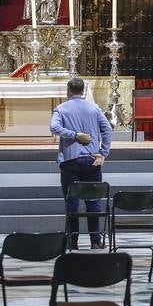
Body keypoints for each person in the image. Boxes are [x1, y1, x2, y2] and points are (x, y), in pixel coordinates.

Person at [49, 77, 112, 250]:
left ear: (68, 90)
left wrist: (74, 135)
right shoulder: (94, 108)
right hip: (92, 159)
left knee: (72, 202)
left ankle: (72, 240)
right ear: (83, 90)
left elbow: (54, 127)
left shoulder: (61, 109)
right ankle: (95, 241)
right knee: (93, 201)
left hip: (70, 160)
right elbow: (107, 129)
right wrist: (104, 153)